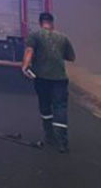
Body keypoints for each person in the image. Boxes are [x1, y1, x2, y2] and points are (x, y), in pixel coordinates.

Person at [21, 12, 76, 153]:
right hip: (60, 79)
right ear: (52, 23)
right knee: (60, 107)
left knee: (45, 105)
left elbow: (29, 51)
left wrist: (25, 66)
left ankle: (49, 136)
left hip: (42, 78)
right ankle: (62, 143)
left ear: (40, 23)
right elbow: (71, 57)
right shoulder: (63, 38)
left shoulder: (35, 36)